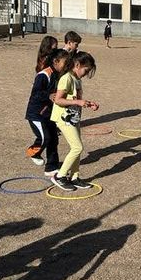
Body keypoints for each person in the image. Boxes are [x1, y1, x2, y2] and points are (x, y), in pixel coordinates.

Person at [50, 51, 99, 191]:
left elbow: (74, 99)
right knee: (77, 147)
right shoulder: (67, 78)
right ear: (77, 64)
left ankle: (74, 177)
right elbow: (58, 100)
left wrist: (88, 103)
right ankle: (59, 176)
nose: (86, 73)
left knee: (77, 148)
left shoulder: (77, 79)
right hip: (63, 118)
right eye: (86, 70)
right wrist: (78, 102)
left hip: (73, 117)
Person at [25, 48, 69, 176]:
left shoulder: (59, 74)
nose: (66, 67)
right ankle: (33, 151)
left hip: (49, 114)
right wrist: (48, 95)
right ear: (56, 61)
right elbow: (36, 93)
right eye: (65, 64)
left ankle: (51, 167)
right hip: (36, 114)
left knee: (54, 140)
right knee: (45, 137)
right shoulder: (44, 75)